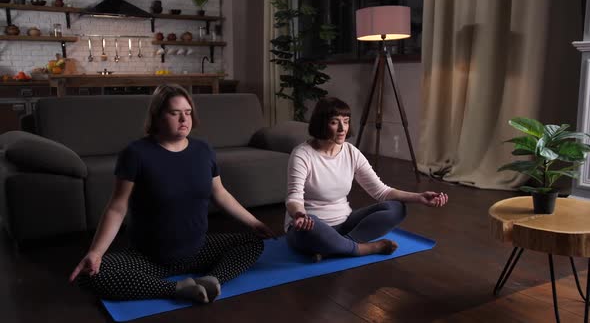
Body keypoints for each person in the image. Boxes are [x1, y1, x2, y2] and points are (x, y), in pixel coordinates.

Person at [69, 84, 275, 303]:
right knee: (90, 277)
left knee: (252, 243)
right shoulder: (136, 153)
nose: (184, 120)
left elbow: (220, 193)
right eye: (174, 114)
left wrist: (254, 223)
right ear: (157, 117)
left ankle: (212, 280)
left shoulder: (203, 150)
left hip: (198, 250)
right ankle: (176, 289)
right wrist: (96, 252)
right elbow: (117, 207)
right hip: (150, 258)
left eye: (187, 113)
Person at [285, 97, 448, 261]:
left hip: (345, 223)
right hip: (312, 227)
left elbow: (381, 191)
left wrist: (419, 197)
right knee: (308, 228)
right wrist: (299, 215)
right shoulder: (302, 154)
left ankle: (336, 246)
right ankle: (364, 248)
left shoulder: (351, 152)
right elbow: (294, 197)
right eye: (335, 122)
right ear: (321, 123)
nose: (343, 128)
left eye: (346, 121)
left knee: (396, 208)